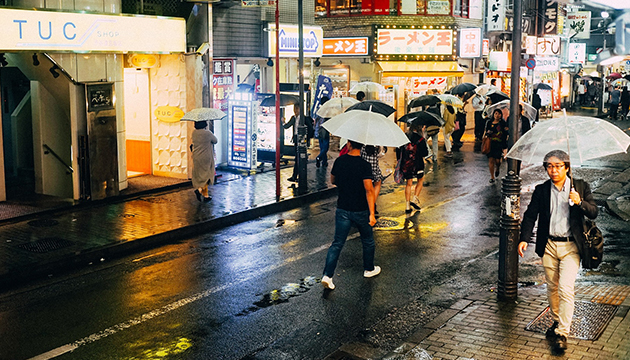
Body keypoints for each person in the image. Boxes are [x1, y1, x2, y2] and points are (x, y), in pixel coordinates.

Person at [518, 150, 598, 352]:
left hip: (572, 246)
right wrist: (524, 239)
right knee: (552, 287)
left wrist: (579, 202)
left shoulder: (579, 186)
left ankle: (563, 332)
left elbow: (594, 212)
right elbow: (530, 216)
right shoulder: (542, 190)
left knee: (565, 287)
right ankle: (556, 320)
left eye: (558, 166)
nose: (553, 170)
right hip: (549, 246)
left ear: (567, 167)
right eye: (549, 166)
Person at [321, 140, 379, 290]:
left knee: (337, 243)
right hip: (360, 210)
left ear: (349, 145)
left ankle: (327, 275)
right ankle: (369, 269)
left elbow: (333, 180)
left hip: (343, 208)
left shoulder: (340, 161)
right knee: (367, 241)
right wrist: (372, 213)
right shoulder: (364, 165)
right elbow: (369, 190)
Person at [397, 126, 429, 213]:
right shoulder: (421, 139)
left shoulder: (404, 136)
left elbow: (398, 150)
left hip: (407, 165)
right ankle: (415, 199)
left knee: (409, 183)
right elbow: (425, 153)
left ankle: (407, 206)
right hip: (418, 165)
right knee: (420, 180)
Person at [191, 120, 218, 202]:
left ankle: (206, 196)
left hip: (196, 156)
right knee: (207, 175)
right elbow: (215, 141)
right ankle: (199, 190)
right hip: (206, 157)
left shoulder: (194, 133)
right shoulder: (207, 133)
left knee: (201, 175)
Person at [485, 109, 508, 183]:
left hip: (499, 144)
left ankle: (497, 168)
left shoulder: (502, 123)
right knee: (491, 159)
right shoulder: (489, 122)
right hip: (491, 143)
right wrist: (487, 134)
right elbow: (486, 131)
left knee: (498, 161)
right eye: (496, 113)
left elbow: (505, 133)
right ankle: (492, 176)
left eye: (499, 114)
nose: (497, 115)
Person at [361, 145, 384, 214]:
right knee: (377, 184)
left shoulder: (363, 147)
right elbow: (380, 155)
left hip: (364, 170)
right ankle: (372, 203)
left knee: (366, 188)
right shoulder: (377, 147)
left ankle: (368, 204)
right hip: (374, 170)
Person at [283, 104, 300, 182]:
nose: (295, 111)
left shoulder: (304, 118)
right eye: (294, 109)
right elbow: (287, 126)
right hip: (296, 139)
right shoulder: (293, 118)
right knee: (297, 158)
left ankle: (297, 175)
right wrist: (283, 122)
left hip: (302, 140)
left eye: (297, 109)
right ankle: (295, 175)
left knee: (299, 158)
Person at [315, 96, 330, 167]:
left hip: (319, 131)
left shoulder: (319, 110)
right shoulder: (328, 111)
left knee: (322, 148)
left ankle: (324, 162)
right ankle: (319, 158)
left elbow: (316, 120)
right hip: (325, 131)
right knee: (325, 148)